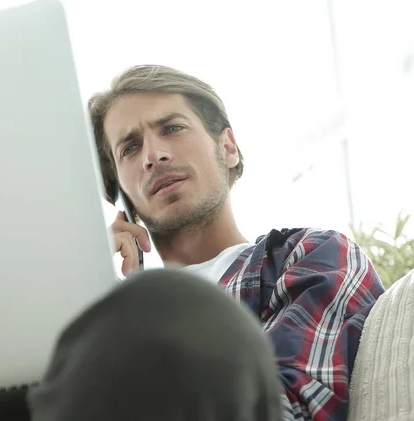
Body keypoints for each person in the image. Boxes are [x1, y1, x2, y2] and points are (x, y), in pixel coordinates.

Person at [27, 65, 386, 421]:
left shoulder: (311, 255)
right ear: (123, 198)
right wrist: (96, 295)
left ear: (227, 148)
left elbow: (290, 411)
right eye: (130, 149)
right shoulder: (103, 310)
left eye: (172, 128)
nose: (153, 156)